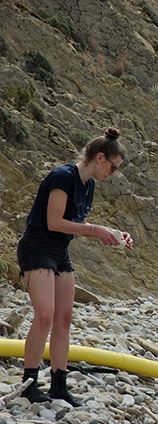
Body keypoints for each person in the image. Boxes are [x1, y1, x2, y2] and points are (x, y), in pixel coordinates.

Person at [17, 128, 132, 407]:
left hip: (59, 251)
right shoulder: (63, 177)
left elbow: (76, 225)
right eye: (113, 168)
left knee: (64, 319)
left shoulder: (88, 185)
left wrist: (114, 234)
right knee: (44, 315)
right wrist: (96, 230)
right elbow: (54, 221)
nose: (112, 174)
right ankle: (29, 382)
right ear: (100, 158)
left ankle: (59, 384)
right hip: (37, 247)